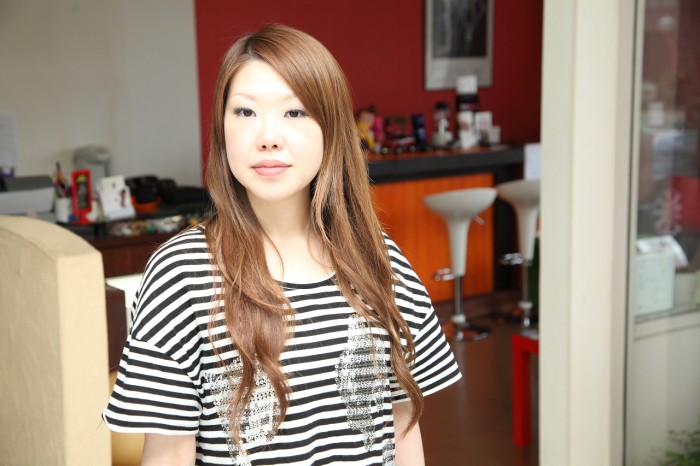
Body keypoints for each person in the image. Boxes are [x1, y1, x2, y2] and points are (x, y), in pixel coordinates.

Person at [103, 24, 461, 465]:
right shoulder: (182, 273)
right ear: (221, 128)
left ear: (331, 129)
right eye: (245, 112)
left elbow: (403, 427)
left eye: (295, 112)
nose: (268, 137)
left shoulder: (380, 261)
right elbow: (168, 455)